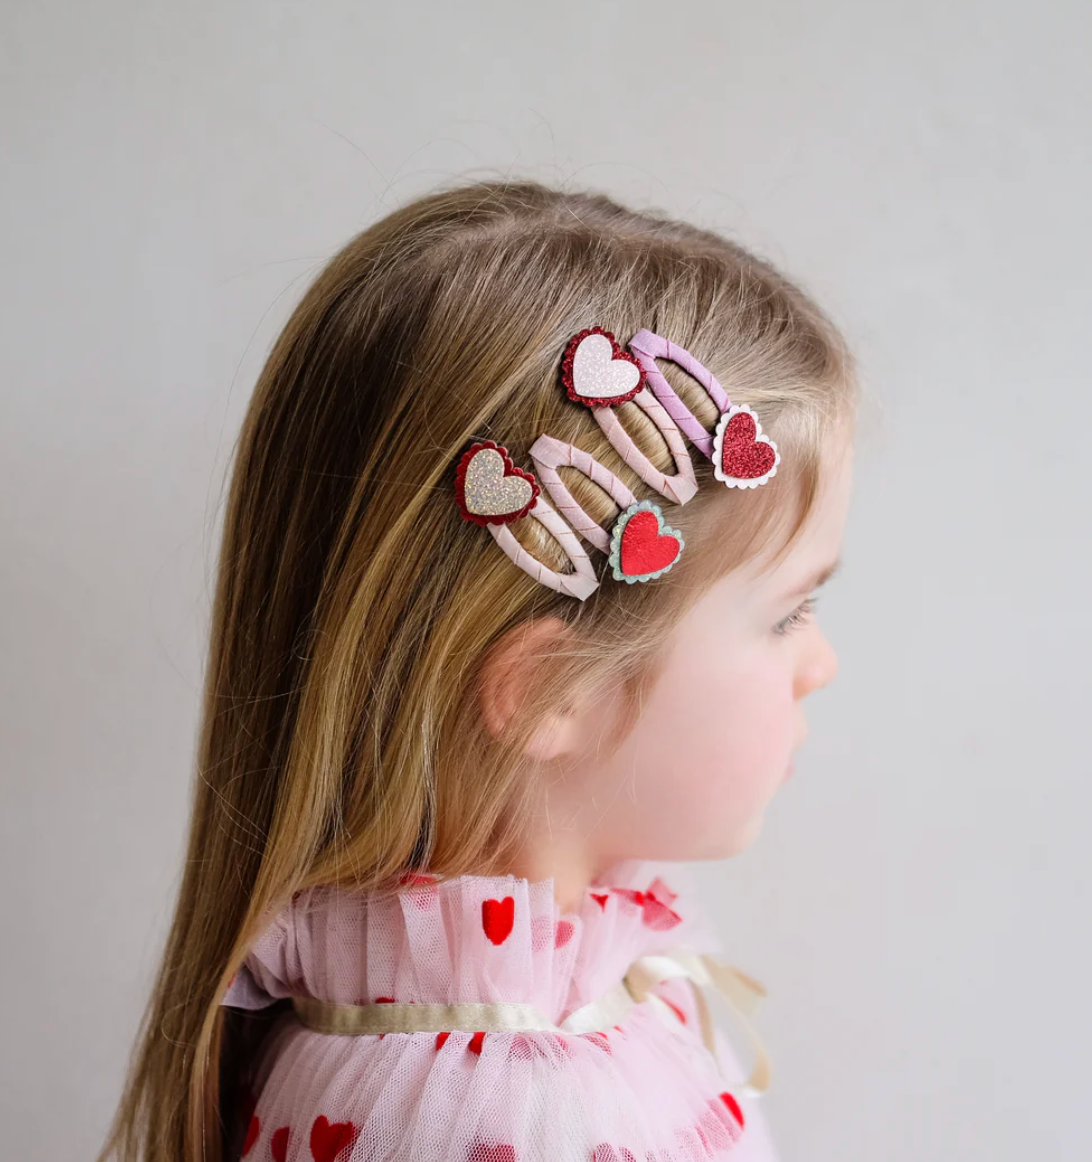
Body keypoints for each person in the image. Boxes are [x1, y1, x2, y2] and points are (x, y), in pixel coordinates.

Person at [98, 178, 858, 1162]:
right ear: (553, 689)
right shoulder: (517, 1116)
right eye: (789, 613)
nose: (820, 663)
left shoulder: (516, 995)